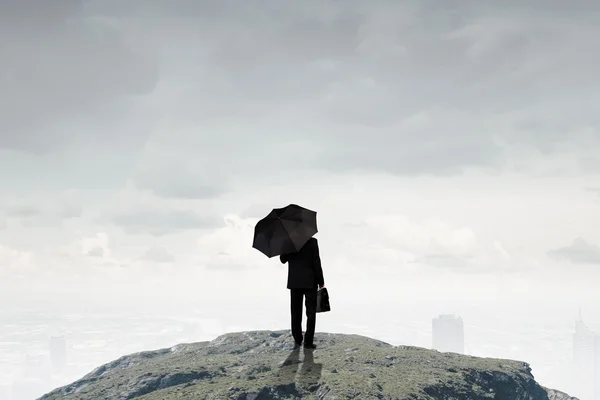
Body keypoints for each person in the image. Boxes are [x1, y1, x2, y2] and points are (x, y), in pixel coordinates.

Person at [280, 237, 325, 349]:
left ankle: (298, 339)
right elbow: (316, 261)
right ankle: (308, 342)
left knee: (295, 312)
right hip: (310, 281)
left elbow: (283, 259)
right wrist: (321, 280)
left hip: (294, 282)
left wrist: (285, 246)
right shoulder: (313, 241)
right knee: (310, 313)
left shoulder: (289, 241)